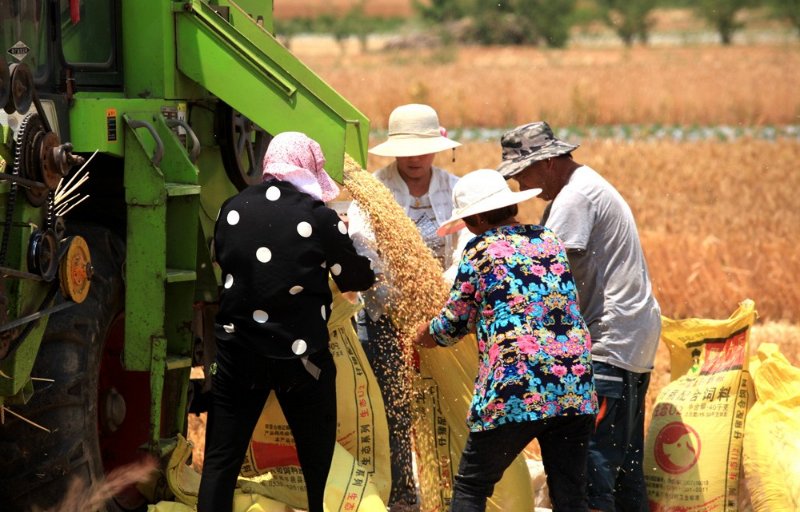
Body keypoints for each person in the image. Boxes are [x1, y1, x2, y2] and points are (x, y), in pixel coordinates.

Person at [198, 132, 376, 512]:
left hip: (237, 353)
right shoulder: (319, 218)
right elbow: (355, 280)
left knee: (221, 458)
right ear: (307, 171)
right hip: (301, 360)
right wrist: (350, 240)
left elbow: (229, 263)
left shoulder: (230, 209)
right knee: (317, 461)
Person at [497, 122, 662, 512]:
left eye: (522, 172)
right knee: (624, 470)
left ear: (550, 162)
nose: (521, 185)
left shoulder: (575, 198)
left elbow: (544, 272)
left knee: (592, 470)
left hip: (608, 343)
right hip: (631, 340)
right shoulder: (587, 185)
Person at [414, 168, 598, 512]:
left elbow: (454, 322)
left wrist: (426, 334)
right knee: (571, 495)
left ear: (480, 217)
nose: (468, 227)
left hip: (517, 385)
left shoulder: (481, 250)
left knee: (472, 485)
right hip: (573, 383)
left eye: (468, 220)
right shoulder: (548, 240)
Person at [347, 103, 470, 511]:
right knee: (393, 407)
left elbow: (464, 251)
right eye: (407, 150)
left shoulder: (455, 190)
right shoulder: (374, 193)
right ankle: (402, 493)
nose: (415, 159)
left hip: (445, 315)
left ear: (437, 146)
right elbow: (366, 253)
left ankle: (450, 492)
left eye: (423, 149)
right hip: (387, 319)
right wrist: (398, 305)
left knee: (448, 404)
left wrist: (441, 297)